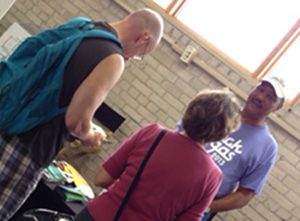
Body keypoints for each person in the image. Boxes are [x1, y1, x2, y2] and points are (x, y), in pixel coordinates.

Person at [0, 8, 164, 221]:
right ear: (144, 38)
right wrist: (91, 135)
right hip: (26, 148)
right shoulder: (113, 59)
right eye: (142, 53)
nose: (133, 57)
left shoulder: (82, 25)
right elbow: (76, 122)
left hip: (6, 114)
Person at [74, 88, 241, 221]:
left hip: (97, 215)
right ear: (222, 133)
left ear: (191, 109)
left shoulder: (152, 133)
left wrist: (126, 190)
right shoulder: (212, 176)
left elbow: (101, 178)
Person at [178, 77, 285, 221]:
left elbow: (245, 194)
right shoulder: (220, 111)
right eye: (260, 89)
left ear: (277, 107)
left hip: (198, 208)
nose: (260, 97)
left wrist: (206, 206)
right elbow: (178, 136)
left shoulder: (267, 147)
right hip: (171, 182)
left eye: (270, 97)